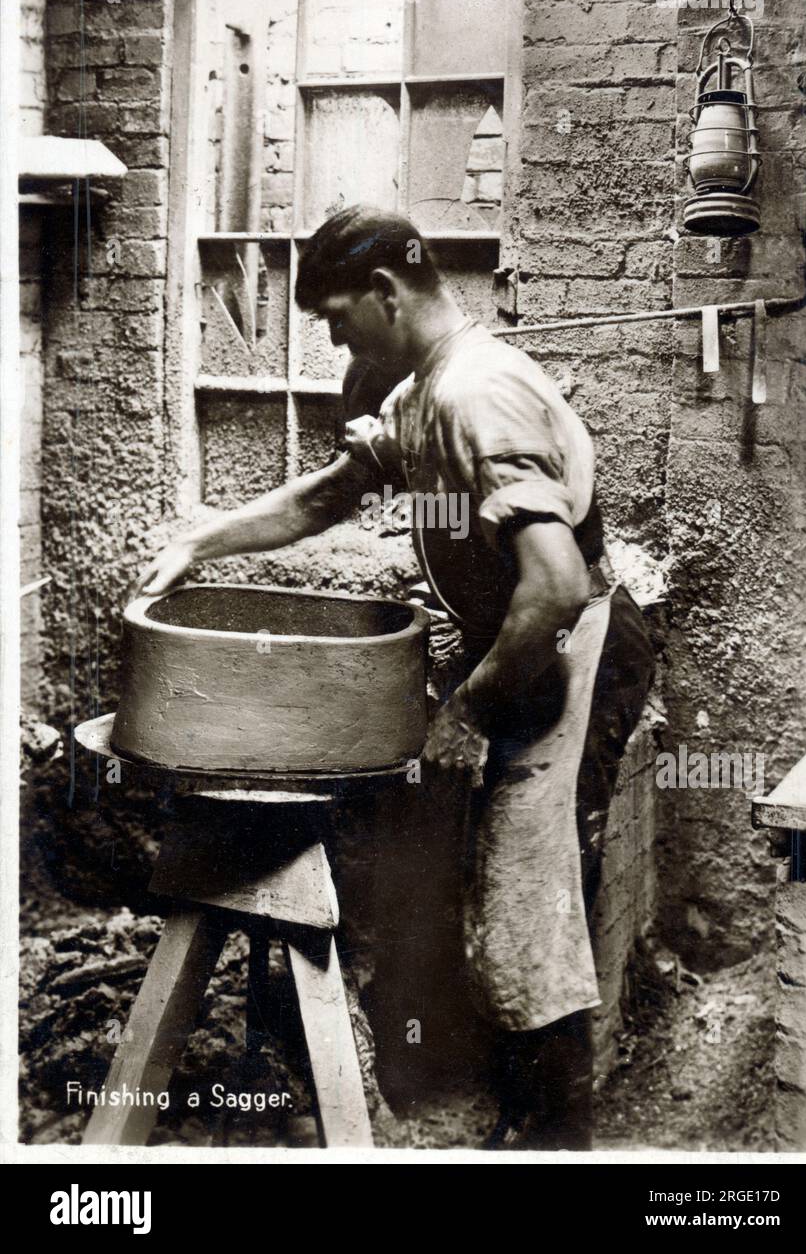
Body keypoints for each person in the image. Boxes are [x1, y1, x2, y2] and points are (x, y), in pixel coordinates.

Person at [136, 205, 655, 1149]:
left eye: (336, 315)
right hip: (524, 641)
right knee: (490, 883)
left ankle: (553, 1134)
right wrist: (199, 539)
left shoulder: (477, 394)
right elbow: (332, 492)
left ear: (384, 293)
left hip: (570, 647)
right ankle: (490, 1086)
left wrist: (469, 710)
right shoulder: (431, 386)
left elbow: (555, 584)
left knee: (527, 896)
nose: (333, 335)